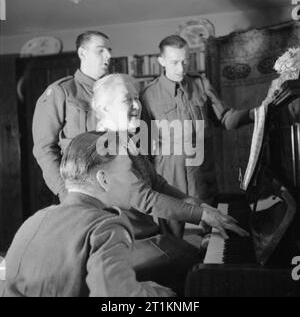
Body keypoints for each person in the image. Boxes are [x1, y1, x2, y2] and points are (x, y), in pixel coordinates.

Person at [3, 132, 176, 297]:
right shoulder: (105, 228)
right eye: (128, 171)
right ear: (104, 180)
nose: (134, 181)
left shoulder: (33, 221)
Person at [91, 73, 248, 240]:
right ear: (105, 108)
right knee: (195, 256)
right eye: (127, 100)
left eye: (136, 98)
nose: (137, 105)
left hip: (147, 233)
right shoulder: (107, 144)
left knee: (200, 249)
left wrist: (197, 204)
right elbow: (146, 199)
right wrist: (201, 214)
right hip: (130, 241)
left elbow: (157, 183)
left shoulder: (127, 138)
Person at [140, 35, 259, 235]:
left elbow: (226, 119)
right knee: (172, 242)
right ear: (161, 61)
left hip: (201, 179)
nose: (181, 67)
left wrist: (256, 113)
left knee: (210, 238)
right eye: (174, 62)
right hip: (168, 182)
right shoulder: (148, 96)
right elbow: (143, 146)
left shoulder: (201, 84)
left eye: (185, 60)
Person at [32, 30, 112, 202]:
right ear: (82, 53)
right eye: (100, 50)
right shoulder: (62, 91)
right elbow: (44, 149)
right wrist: (65, 191)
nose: (108, 56)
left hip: (113, 186)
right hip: (79, 189)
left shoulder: (113, 91)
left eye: (108, 50)